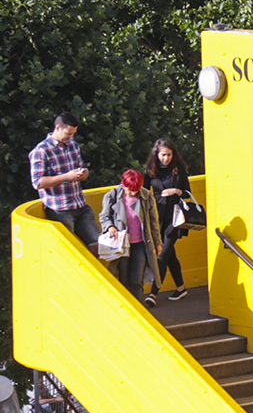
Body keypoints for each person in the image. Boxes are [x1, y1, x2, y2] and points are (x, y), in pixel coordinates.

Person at [30, 112, 95, 247]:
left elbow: (81, 166)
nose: (71, 137)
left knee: (98, 245)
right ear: (58, 128)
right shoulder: (41, 151)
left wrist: (84, 173)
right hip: (60, 209)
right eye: (68, 134)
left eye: (73, 134)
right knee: (69, 249)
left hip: (80, 204)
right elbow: (37, 183)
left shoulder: (73, 145)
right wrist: (66, 177)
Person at [99, 170, 161, 307]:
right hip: (122, 244)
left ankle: (136, 307)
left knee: (137, 279)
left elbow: (154, 222)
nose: (132, 193)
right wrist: (110, 226)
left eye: (135, 190)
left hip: (141, 244)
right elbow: (104, 217)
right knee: (123, 277)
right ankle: (124, 307)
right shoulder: (112, 195)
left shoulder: (147, 196)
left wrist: (157, 243)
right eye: (129, 189)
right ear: (123, 184)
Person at [144, 139, 192, 301]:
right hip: (158, 216)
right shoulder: (151, 170)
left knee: (162, 254)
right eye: (163, 155)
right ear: (156, 154)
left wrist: (176, 191)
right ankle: (181, 288)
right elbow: (144, 193)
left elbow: (188, 192)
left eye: (169, 155)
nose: (166, 158)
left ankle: (153, 294)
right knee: (170, 254)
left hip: (175, 217)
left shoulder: (179, 169)